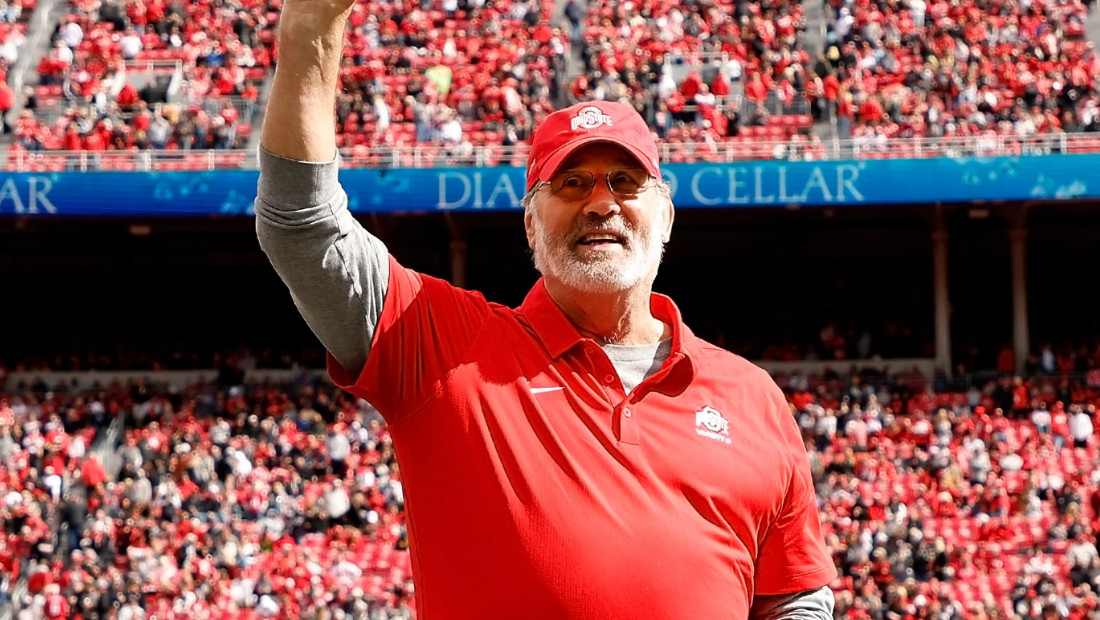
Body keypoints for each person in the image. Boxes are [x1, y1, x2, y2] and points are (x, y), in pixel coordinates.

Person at [253, 0, 837, 616]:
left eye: (625, 182)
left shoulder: (752, 396)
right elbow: (304, 227)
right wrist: (311, 27)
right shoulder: (444, 346)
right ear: (531, 225)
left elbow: (793, 595)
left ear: (665, 217)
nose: (600, 204)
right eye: (572, 183)